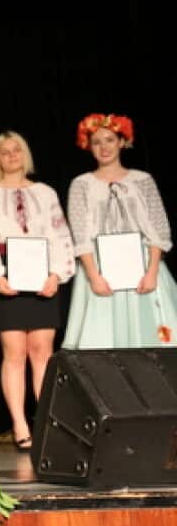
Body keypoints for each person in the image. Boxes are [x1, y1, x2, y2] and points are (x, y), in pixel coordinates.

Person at [0, 132, 74, 451]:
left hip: (42, 272)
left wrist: (57, 273)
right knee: (14, 353)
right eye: (5, 152)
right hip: (8, 274)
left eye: (17, 150)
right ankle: (20, 424)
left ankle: (45, 421)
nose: (12, 156)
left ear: (25, 154)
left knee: (42, 350)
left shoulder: (44, 192)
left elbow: (60, 234)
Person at [63, 113, 177, 349]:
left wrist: (152, 271)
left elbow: (159, 227)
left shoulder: (142, 179)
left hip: (143, 266)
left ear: (122, 142)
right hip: (100, 267)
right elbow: (80, 233)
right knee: (103, 340)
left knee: (154, 336)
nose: (104, 147)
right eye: (97, 142)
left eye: (110, 140)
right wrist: (94, 276)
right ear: (88, 146)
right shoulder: (81, 184)